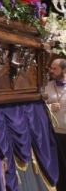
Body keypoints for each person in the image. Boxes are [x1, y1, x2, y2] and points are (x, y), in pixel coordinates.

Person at [44, 58, 66, 190]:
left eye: (55, 68)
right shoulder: (47, 85)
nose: (51, 71)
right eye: (51, 68)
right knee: (58, 167)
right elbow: (39, 106)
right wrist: (49, 107)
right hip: (54, 133)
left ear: (64, 70)